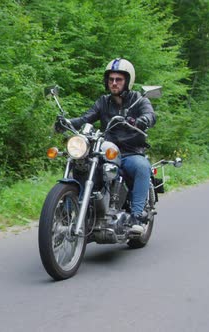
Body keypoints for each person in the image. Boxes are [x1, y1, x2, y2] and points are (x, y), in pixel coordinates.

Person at [55, 58, 156, 234]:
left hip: (130, 152)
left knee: (142, 167)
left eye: (118, 79)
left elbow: (150, 115)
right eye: (111, 79)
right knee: (82, 164)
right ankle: (77, 211)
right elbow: (86, 118)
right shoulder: (103, 101)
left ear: (128, 81)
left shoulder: (138, 100)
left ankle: (136, 216)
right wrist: (67, 122)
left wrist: (141, 120)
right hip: (107, 150)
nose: (114, 83)